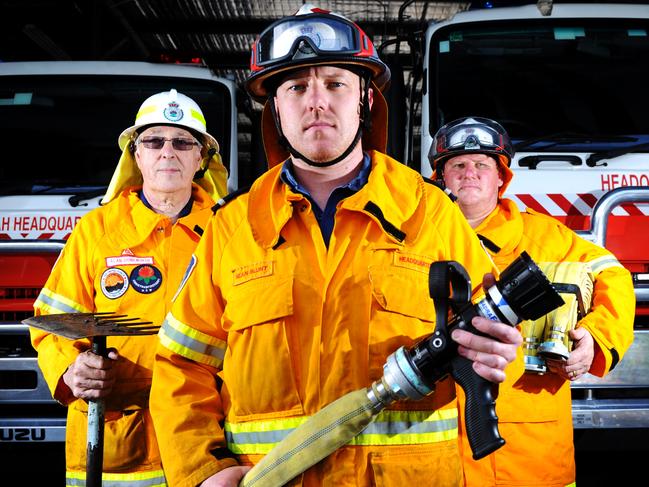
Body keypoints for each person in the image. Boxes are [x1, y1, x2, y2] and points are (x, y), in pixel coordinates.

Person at [150, 6, 521, 487]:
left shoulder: (430, 214)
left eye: (335, 84)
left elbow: (491, 342)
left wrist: (496, 357)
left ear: (366, 97)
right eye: (297, 87)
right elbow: (182, 365)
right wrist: (203, 469)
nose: (316, 102)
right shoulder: (232, 228)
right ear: (276, 107)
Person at [29, 89, 228, 486]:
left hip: (209, 439)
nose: (167, 152)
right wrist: (71, 370)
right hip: (117, 444)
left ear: (201, 157)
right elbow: (51, 321)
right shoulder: (96, 231)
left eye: (182, 141)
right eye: (153, 141)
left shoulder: (232, 229)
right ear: (136, 155)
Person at [429, 116, 635, 487]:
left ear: (501, 178)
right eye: (457, 165)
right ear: (440, 178)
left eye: (482, 165)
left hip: (531, 456)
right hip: (439, 457)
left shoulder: (547, 237)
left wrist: (596, 338)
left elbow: (613, 277)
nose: (469, 173)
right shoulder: (412, 240)